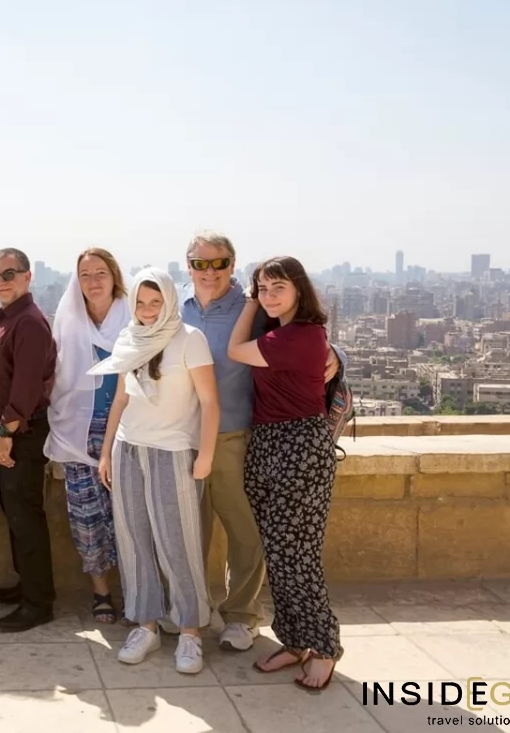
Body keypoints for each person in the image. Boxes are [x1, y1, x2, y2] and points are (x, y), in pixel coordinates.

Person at [178, 230, 341, 652]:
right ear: (188, 265)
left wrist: (339, 354)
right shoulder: (172, 306)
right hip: (183, 437)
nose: (208, 271)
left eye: (218, 263)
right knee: (187, 530)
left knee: (245, 532)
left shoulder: (252, 306)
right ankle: (190, 613)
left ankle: (241, 615)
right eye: (199, 263)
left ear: (232, 265)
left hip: (237, 433)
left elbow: (304, 334)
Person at [91, 267, 220, 675]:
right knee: (133, 540)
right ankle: (145, 625)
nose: (148, 310)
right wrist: (107, 450)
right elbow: (122, 400)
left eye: (156, 301)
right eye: (141, 302)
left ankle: (189, 632)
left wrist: (206, 456)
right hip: (130, 450)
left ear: (168, 300)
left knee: (177, 543)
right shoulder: (129, 338)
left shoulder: (190, 339)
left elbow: (210, 402)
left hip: (174, 452)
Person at [227, 255, 344, 692]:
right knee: (277, 555)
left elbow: (234, 351)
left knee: (299, 557)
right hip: (266, 443)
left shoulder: (303, 335)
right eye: (262, 288)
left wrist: (248, 305)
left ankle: (325, 646)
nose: (269, 296)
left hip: (300, 447)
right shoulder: (279, 332)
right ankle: (295, 641)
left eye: (278, 288)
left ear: (299, 289)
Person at [44, 248, 130, 625]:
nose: (93, 281)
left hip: (130, 430)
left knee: (131, 517)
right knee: (87, 518)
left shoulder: (134, 316)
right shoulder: (68, 320)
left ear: (114, 277)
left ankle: (140, 594)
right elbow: (56, 373)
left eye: (101, 273)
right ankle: (101, 592)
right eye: (86, 275)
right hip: (78, 432)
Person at [0, 247, 58, 632]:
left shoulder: (27, 322)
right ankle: (28, 586)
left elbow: (26, 387)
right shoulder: (9, 318)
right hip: (11, 429)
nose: (1, 281)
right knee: (16, 515)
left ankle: (38, 602)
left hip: (21, 433)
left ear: (28, 276)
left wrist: (6, 433)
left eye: (9, 273)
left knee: (25, 516)